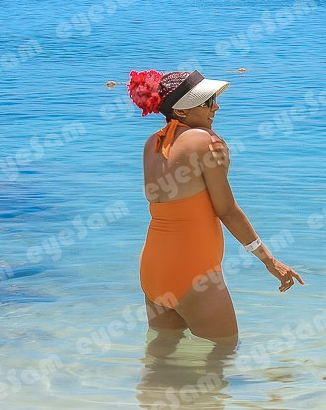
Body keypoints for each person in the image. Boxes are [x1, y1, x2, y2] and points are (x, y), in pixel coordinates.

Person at [128, 69, 304, 346]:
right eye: (207, 102)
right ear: (181, 111)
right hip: (193, 271)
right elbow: (226, 210)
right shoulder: (206, 142)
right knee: (225, 353)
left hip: (153, 269)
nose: (216, 107)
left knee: (161, 358)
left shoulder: (153, 143)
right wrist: (270, 262)